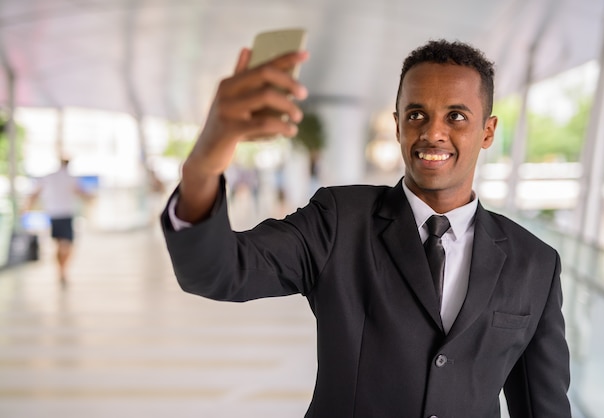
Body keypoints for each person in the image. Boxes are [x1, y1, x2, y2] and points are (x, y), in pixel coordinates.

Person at [161, 40, 571, 417]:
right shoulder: (339, 220)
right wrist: (206, 158)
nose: (432, 133)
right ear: (397, 125)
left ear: (488, 131)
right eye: (416, 115)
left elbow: (544, 407)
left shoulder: (535, 263)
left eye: (456, 116)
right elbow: (218, 271)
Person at [25, 158, 90, 287]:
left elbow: (35, 193)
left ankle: (61, 271)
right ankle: (62, 271)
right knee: (65, 245)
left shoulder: (51, 177)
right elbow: (82, 193)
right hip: (64, 215)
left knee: (62, 245)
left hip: (56, 215)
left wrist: (26, 207)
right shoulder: (69, 177)